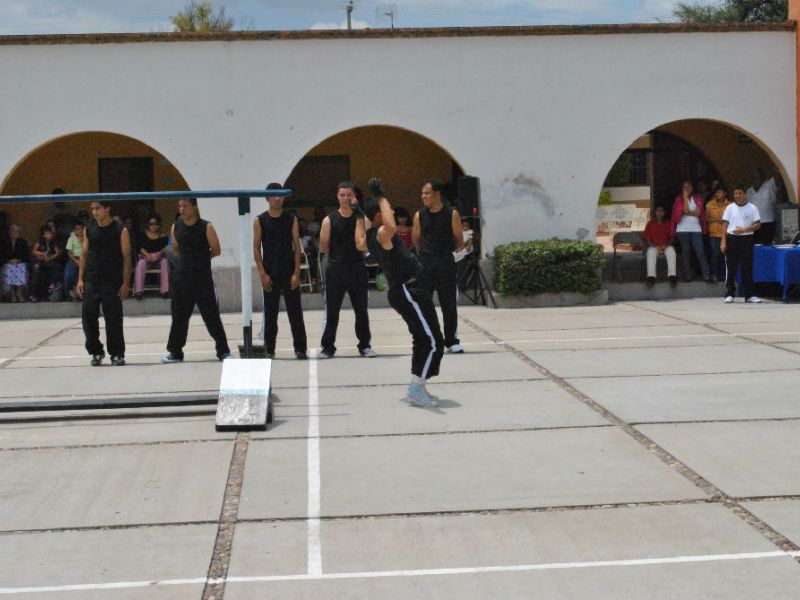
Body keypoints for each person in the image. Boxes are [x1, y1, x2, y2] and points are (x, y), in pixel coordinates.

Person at [364, 178, 443, 407]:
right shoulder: (381, 234)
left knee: (426, 338)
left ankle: (418, 386)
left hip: (413, 289)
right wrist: (380, 196)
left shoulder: (374, 234)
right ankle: (416, 388)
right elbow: (390, 226)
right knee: (431, 341)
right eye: (387, 209)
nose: (391, 211)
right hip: (407, 291)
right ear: (378, 215)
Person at [162, 198, 231, 363]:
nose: (182, 209)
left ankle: (223, 351)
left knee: (211, 316)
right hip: (182, 279)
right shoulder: (176, 226)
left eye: (185, 206)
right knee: (179, 317)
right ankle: (175, 352)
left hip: (202, 279)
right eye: (180, 206)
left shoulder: (206, 227)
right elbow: (176, 248)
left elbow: (216, 250)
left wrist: (201, 260)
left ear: (194, 207)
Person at [318, 182, 375, 359]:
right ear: (337, 197)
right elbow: (323, 246)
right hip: (335, 270)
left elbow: (368, 238)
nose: (345, 198)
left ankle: (365, 346)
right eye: (342, 195)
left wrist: (358, 212)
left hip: (357, 269)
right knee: (332, 311)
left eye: (349, 195)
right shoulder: (329, 220)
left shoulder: (362, 219)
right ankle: (328, 347)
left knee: (361, 310)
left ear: (354, 197)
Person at [253, 183, 308, 360]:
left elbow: (297, 247)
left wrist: (296, 272)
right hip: (270, 272)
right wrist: (262, 273)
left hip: (289, 271)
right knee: (270, 314)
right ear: (267, 198)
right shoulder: (260, 220)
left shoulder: (291, 219)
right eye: (274, 195)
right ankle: (269, 349)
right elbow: (256, 248)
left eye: (280, 195)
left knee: (295, 312)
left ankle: (300, 348)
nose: (278, 199)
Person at [412, 179, 464, 353]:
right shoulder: (419, 215)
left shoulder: (452, 214)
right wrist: (425, 254)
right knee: (424, 302)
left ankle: (452, 341)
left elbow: (459, 241)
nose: (423, 196)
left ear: (437, 194)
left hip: (445, 261)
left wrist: (446, 254)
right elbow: (416, 239)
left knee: (448, 303)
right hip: (426, 262)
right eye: (422, 193)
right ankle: (429, 340)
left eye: (426, 193)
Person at [77, 200, 131, 366]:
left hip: (112, 280)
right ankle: (96, 351)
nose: (94, 212)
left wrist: (126, 283)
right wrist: (80, 279)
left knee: (113, 318)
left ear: (107, 208)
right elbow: (84, 255)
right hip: (92, 279)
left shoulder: (120, 230)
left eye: (98, 208)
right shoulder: (89, 229)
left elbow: (127, 258)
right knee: (88, 316)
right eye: (92, 209)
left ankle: (117, 354)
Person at [722, 183, 762, 304]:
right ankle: (729, 294)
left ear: (745, 194)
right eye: (735, 193)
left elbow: (757, 225)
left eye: (740, 193)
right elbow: (724, 225)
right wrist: (723, 241)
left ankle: (749, 295)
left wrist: (744, 230)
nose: (737, 195)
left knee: (747, 267)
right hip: (732, 238)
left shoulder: (752, 208)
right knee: (731, 267)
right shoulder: (730, 208)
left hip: (747, 239)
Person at [671, 180, 711, 283]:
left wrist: (688, 212)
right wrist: (685, 198)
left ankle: (706, 275)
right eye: (684, 187)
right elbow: (684, 210)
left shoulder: (697, 198)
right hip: (682, 229)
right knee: (686, 252)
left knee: (700, 251)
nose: (686, 189)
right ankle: (688, 275)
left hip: (696, 229)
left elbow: (698, 213)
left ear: (692, 188)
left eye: (688, 187)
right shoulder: (679, 199)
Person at [134, 214, 169, 299]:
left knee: (165, 262)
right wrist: (147, 255)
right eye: (151, 224)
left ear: (159, 225)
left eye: (156, 224)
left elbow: (167, 247)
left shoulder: (163, 236)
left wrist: (160, 253)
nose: (154, 226)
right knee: (140, 264)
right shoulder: (143, 235)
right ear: (148, 225)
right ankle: (139, 292)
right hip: (146, 258)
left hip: (159, 259)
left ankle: (165, 291)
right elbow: (140, 247)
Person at [642, 205, 677, 287]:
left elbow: (673, 237)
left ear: (664, 213)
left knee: (671, 251)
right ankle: (651, 277)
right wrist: (655, 246)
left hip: (666, 246)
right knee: (650, 252)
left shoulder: (668, 223)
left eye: (661, 211)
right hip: (654, 246)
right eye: (658, 211)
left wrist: (666, 245)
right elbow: (647, 239)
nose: (660, 213)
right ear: (655, 212)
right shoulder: (650, 223)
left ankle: (672, 277)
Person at [746, 167, 782, 245]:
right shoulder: (749, 191)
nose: (756, 179)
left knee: (766, 245)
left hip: (768, 223)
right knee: (756, 245)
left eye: (758, 177)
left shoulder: (770, 185)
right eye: (754, 177)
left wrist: (778, 170)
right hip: (754, 224)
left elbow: (777, 178)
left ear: (763, 177)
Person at [30, 225, 63, 302]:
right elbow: (33, 251)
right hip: (38, 261)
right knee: (36, 272)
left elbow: (57, 253)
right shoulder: (39, 242)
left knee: (56, 267)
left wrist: (51, 257)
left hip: (47, 261)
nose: (49, 235)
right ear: (43, 235)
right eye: (47, 234)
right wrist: (43, 254)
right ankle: (33, 294)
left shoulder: (53, 242)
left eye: (50, 233)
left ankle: (52, 285)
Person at [705, 186, 731, 281]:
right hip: (713, 234)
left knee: (724, 254)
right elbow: (706, 219)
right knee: (715, 254)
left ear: (725, 193)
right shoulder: (709, 204)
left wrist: (725, 220)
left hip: (725, 234)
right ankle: (714, 274)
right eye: (716, 192)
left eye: (719, 192)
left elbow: (733, 218)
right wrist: (717, 219)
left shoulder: (730, 205)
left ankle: (723, 275)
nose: (717, 194)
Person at [1, 224, 29, 302]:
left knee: (21, 269)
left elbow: (26, 255)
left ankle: (19, 293)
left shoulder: (23, 242)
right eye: (12, 231)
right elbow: (2, 254)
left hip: (20, 263)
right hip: (7, 263)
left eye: (16, 231)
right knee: (9, 269)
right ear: (9, 232)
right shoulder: (3, 242)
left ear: (19, 233)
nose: (14, 233)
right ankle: (12, 294)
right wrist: (9, 261)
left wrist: (18, 260)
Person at [63, 221, 84, 300]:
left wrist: (82, 240)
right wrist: (76, 261)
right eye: (77, 229)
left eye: (81, 229)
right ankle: (70, 291)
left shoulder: (87, 238)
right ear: (74, 230)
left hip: (85, 258)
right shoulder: (71, 239)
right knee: (68, 274)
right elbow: (69, 253)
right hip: (74, 258)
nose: (79, 231)